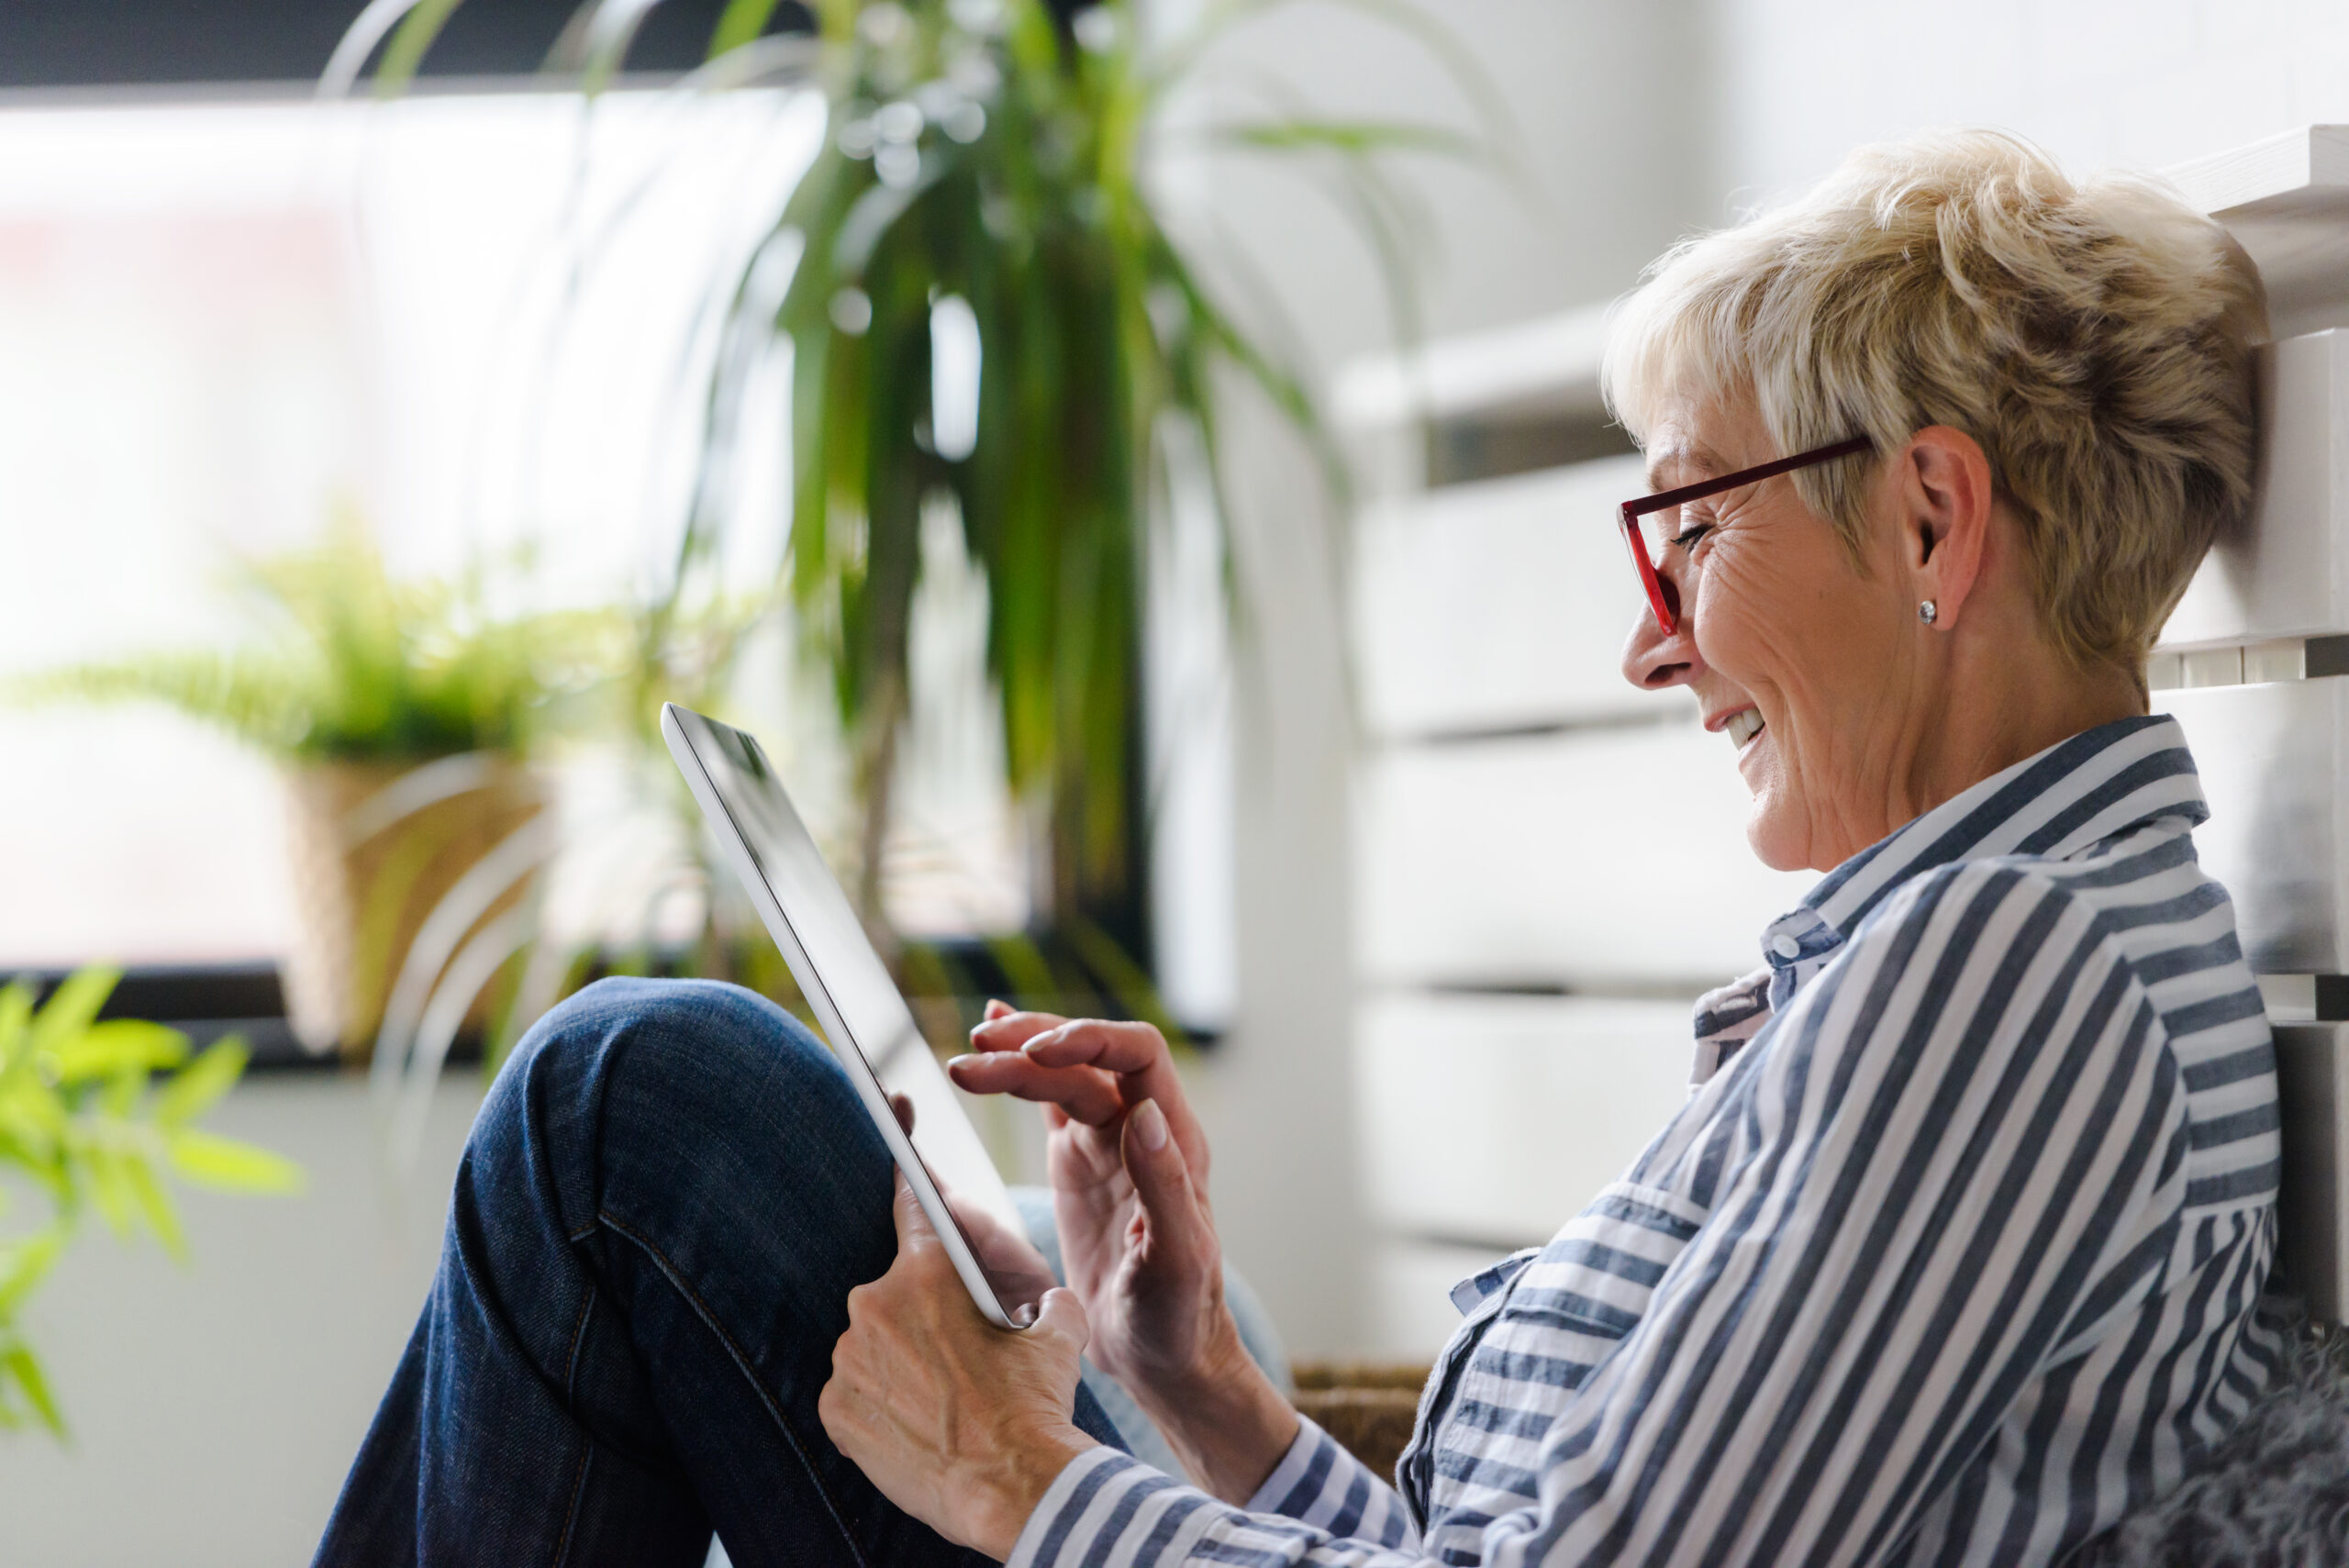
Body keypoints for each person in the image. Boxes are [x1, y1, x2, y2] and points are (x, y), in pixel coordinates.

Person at [314, 129, 2281, 1568]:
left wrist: (1021, 1482)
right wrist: (1200, 1398)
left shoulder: (2011, 971)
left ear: (1931, 525)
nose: (1644, 631)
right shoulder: (1974, 951)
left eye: (1688, 520)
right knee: (689, 1120)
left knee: (634, 1103)